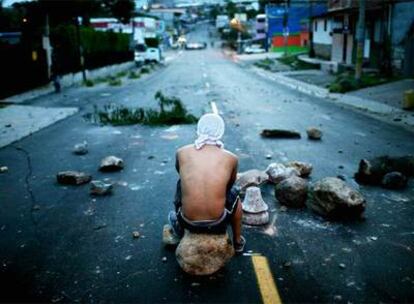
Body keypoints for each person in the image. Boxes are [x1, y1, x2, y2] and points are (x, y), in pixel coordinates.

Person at [168, 113, 246, 253]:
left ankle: (180, 227)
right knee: (234, 193)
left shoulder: (181, 152)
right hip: (217, 222)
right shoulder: (231, 158)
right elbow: (230, 183)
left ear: (199, 129)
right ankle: (238, 241)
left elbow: (180, 172)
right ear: (220, 132)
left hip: (188, 221)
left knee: (181, 183)